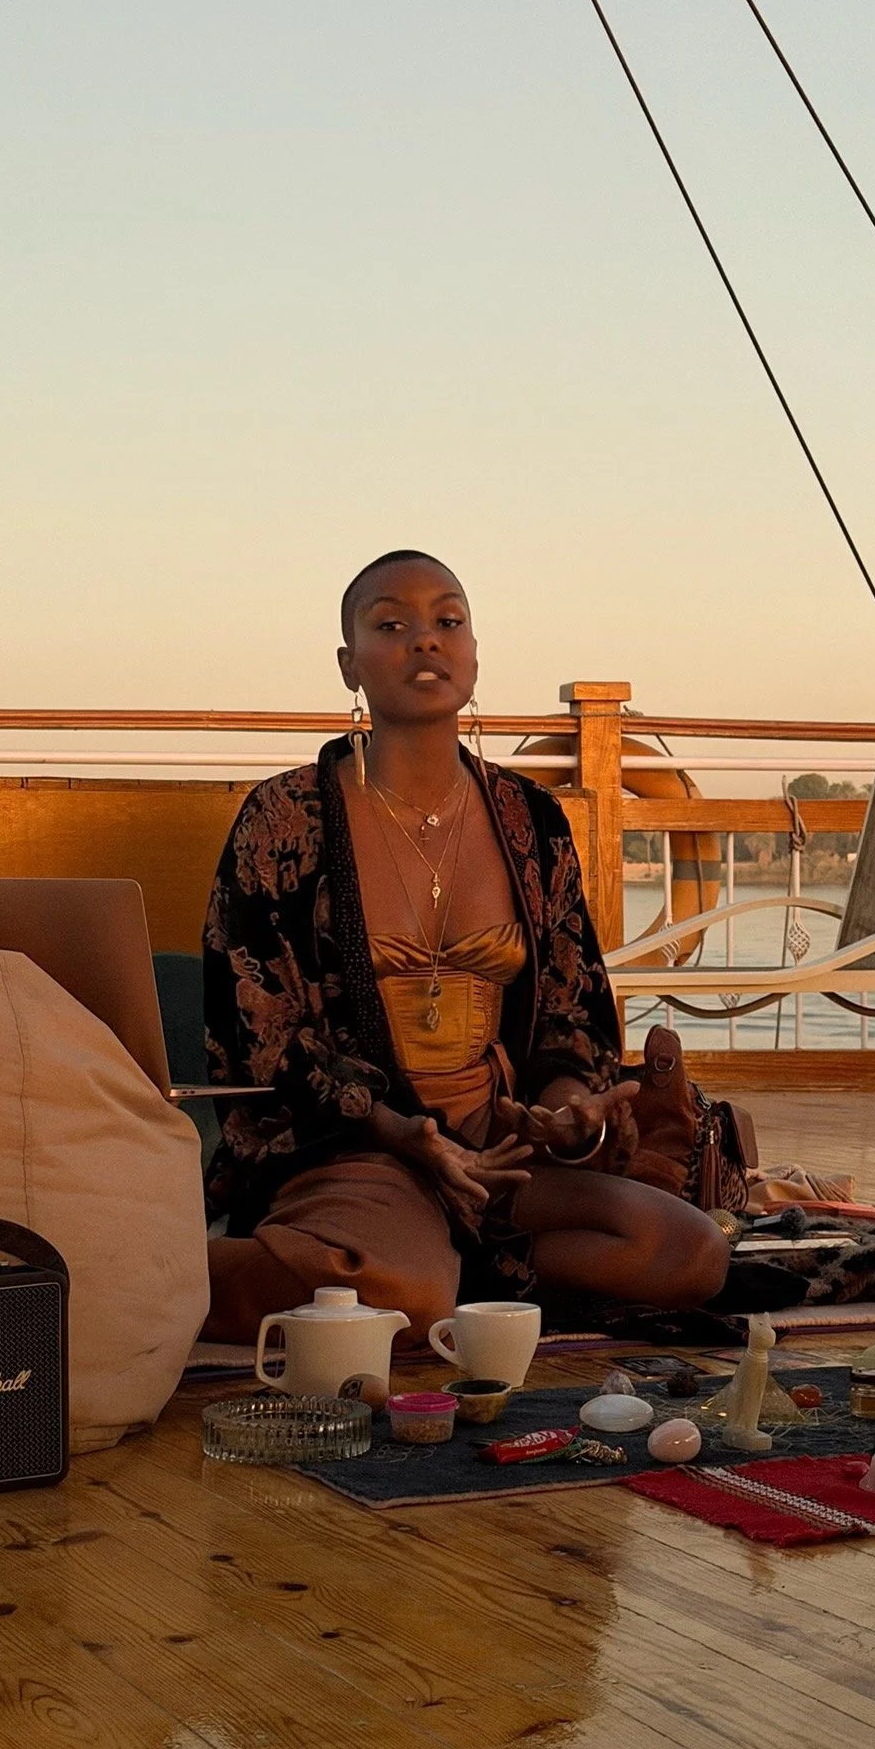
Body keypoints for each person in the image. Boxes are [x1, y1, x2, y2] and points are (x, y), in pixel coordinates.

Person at [201, 549, 729, 1344]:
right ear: (350, 665)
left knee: (690, 1252)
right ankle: (176, 1272)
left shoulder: (531, 820)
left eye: (449, 622)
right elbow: (259, 1033)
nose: (426, 642)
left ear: (475, 655)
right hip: (358, 1145)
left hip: (499, 1148)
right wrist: (396, 1130)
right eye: (392, 625)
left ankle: (450, 1267)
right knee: (403, 1299)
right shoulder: (285, 818)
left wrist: (563, 1112)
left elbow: (569, 1010)